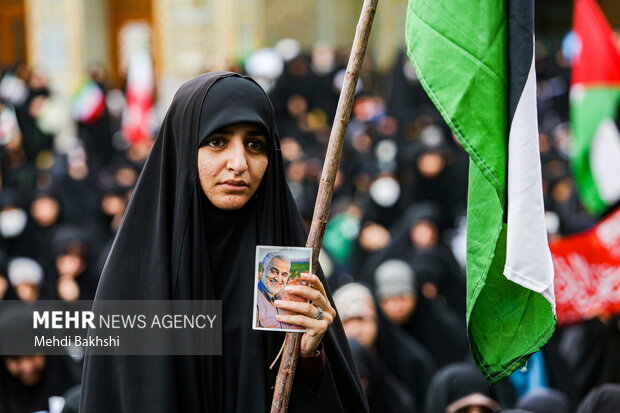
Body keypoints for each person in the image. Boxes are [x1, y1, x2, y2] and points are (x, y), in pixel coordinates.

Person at [80, 72, 369, 412]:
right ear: (185, 145)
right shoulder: (132, 281)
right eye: (217, 141)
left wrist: (309, 356)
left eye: (255, 144)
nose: (239, 163)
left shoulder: (285, 270)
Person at [255, 251, 299, 329]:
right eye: (274, 272)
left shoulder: (288, 298)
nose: (278, 279)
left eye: (284, 274)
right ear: (262, 270)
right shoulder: (253, 299)